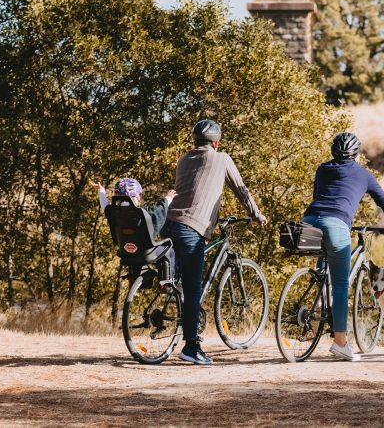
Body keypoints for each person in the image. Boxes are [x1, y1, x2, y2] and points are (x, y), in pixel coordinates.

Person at [165, 119, 268, 366]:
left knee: (175, 280)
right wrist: (256, 214)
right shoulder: (221, 159)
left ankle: (170, 315)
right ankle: (191, 347)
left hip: (169, 225)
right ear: (216, 142)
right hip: (193, 229)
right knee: (193, 290)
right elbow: (241, 189)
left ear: (194, 141)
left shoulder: (183, 159)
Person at [303, 131, 384, 362]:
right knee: (340, 284)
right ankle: (340, 343)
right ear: (356, 154)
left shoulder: (323, 169)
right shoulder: (363, 174)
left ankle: (319, 293)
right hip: (337, 225)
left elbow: (319, 196)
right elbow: (383, 199)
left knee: (326, 260)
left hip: (309, 221)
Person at [89, 177, 174, 236]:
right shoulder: (145, 212)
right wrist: (169, 197)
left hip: (125, 254)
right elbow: (161, 209)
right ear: (137, 197)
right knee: (171, 252)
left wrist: (101, 191)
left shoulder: (114, 212)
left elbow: (105, 206)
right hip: (146, 253)